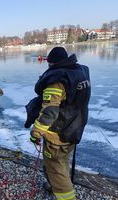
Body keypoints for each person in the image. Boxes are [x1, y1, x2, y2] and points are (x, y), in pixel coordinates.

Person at [26, 47, 91, 200]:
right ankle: (54, 185)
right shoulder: (78, 73)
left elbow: (50, 112)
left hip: (58, 132)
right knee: (62, 160)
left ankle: (64, 193)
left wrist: (36, 132)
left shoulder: (56, 81)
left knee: (55, 167)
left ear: (51, 63)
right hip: (75, 126)